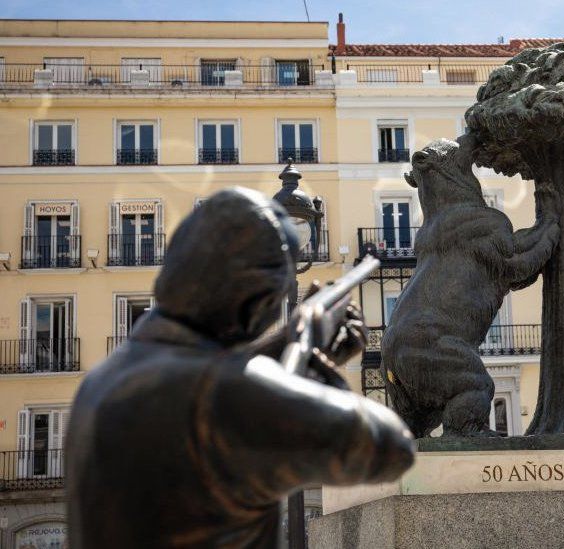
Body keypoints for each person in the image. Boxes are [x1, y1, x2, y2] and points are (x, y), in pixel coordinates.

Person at [66, 187, 414, 548]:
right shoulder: (222, 392)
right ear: (258, 300)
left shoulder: (99, 383)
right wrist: (315, 361)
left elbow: (223, 377)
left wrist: (283, 346)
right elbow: (391, 448)